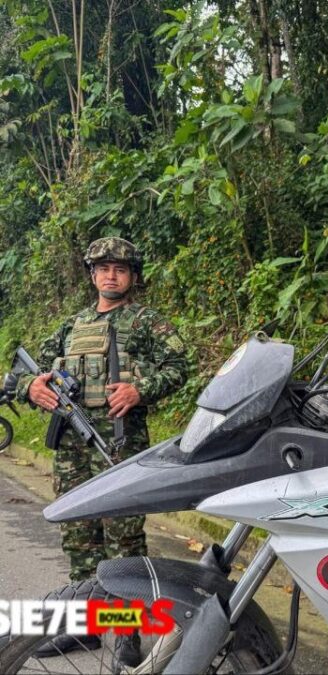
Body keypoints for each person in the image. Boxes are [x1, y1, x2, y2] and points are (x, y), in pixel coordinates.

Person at [15, 237, 189, 659]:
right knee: (80, 539)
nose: (111, 275)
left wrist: (139, 390)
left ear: (132, 277)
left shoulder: (146, 321)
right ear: (92, 275)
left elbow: (180, 366)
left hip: (119, 444)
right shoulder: (71, 326)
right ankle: (88, 628)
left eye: (120, 269)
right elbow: (28, 373)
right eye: (104, 269)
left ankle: (126, 634)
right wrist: (31, 387)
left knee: (123, 541)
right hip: (72, 446)